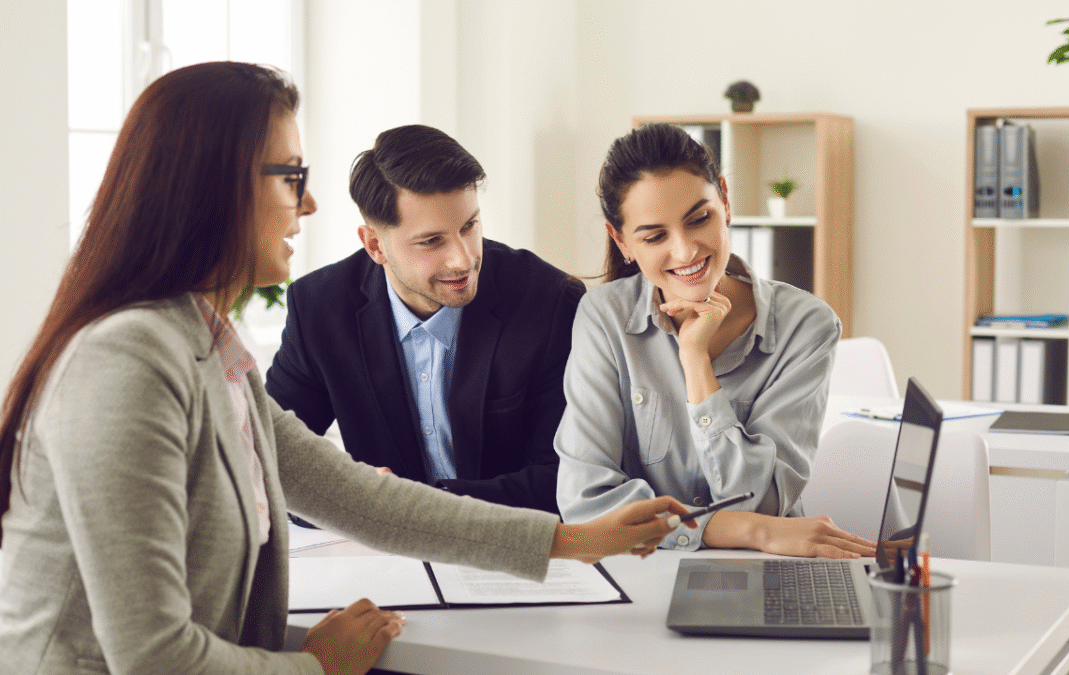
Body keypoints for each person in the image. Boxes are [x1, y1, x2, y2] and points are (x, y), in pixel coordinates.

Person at [0, 63, 690, 675]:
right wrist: (317, 666)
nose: (308, 203)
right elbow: (155, 659)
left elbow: (358, 497)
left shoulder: (203, 345)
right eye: (291, 177)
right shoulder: (127, 359)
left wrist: (573, 539)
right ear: (215, 191)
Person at [555, 122, 875, 558]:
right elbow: (586, 502)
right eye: (655, 236)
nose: (686, 251)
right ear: (621, 240)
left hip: (763, 568)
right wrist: (746, 530)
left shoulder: (806, 325)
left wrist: (695, 361)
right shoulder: (603, 317)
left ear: (725, 200)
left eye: (699, 219)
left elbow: (762, 503)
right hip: (644, 570)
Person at [265, 124, 583, 514]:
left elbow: (566, 478)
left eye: (469, 226)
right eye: (431, 241)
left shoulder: (549, 301)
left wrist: (414, 508)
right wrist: (351, 495)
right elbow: (269, 462)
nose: (463, 259)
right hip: (380, 547)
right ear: (375, 245)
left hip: (516, 542)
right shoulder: (319, 309)